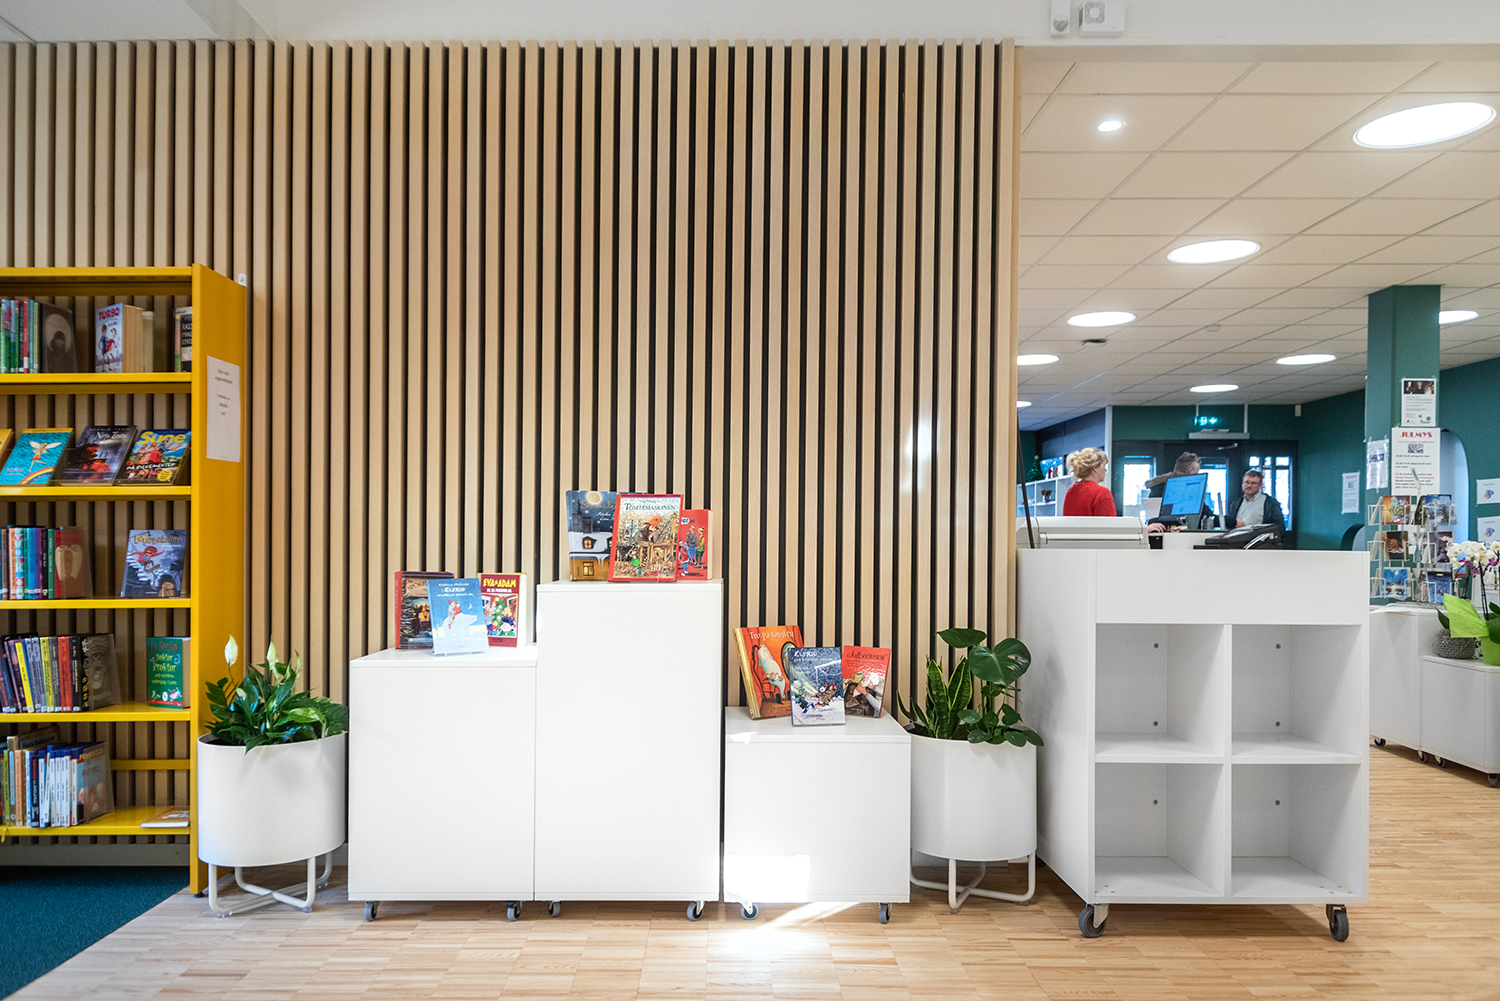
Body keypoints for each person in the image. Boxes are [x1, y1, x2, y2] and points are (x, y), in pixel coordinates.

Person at [1146, 451, 1215, 534]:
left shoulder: (1156, 488)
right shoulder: (1187, 491)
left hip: (1157, 533)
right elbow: (1206, 516)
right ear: (1190, 470)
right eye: (1197, 471)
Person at [1061, 447, 1117, 516]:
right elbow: (1109, 522)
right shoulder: (1102, 493)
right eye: (1104, 466)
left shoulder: (1070, 492)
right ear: (1095, 467)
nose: (1105, 470)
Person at [1231, 469, 1285, 536]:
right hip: (1236, 540)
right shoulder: (1236, 504)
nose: (1249, 486)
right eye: (1247, 482)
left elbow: (1279, 528)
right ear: (1242, 483)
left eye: (1253, 483)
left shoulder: (1270, 504)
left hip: (1259, 541)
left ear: (1260, 485)